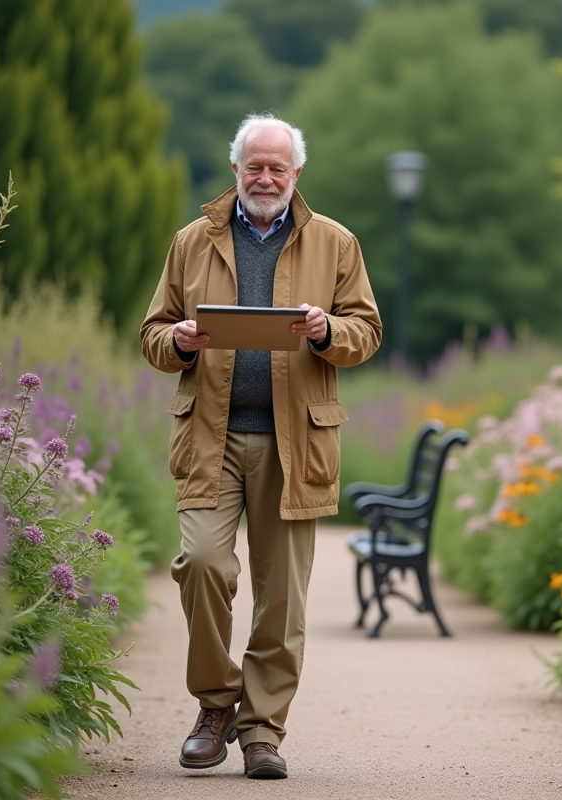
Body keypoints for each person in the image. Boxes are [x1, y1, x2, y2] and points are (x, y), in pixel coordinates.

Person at [140, 113, 382, 779]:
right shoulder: (192, 242)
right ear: (236, 171)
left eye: (278, 167)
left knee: (283, 599)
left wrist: (327, 329)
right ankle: (216, 705)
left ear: (297, 173)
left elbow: (366, 330)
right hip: (210, 437)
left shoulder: (335, 243)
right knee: (203, 564)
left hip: (295, 441)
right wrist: (178, 341)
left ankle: (262, 734)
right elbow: (152, 332)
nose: (266, 177)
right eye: (255, 166)